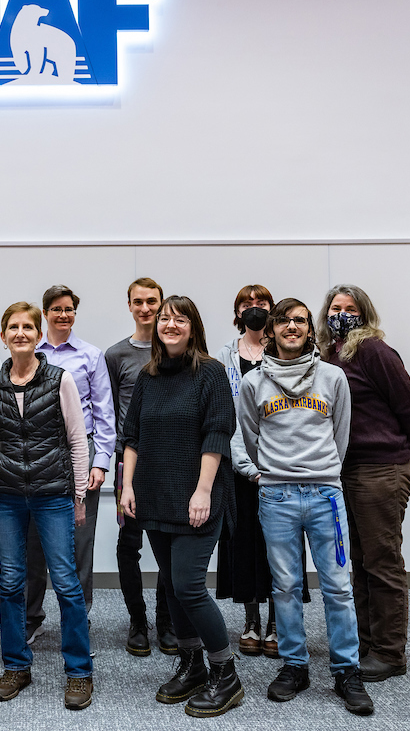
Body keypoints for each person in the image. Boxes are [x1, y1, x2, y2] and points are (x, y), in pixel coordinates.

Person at [238, 297, 374, 716]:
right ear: (272, 329)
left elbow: (342, 436)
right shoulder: (252, 384)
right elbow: (247, 435)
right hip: (276, 497)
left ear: (310, 330)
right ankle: (295, 665)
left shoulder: (333, 378)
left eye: (300, 320)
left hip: (325, 498)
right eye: (284, 321)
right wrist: (268, 475)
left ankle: (346, 670)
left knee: (337, 586)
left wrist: (322, 473)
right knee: (285, 586)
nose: (292, 327)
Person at [118, 295, 243, 718]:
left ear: (193, 327)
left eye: (180, 318)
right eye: (165, 318)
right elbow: (131, 435)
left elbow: (217, 433)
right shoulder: (149, 375)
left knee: (189, 586)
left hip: (196, 498)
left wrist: (203, 490)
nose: (170, 324)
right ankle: (191, 663)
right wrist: (127, 486)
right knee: (171, 586)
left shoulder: (210, 372)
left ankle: (225, 671)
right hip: (154, 495)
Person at [0, 302, 94, 711]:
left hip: (53, 496)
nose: (21, 333)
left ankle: (79, 672)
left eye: (28, 326)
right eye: (14, 327)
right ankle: (16, 667)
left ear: (36, 334)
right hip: (6, 496)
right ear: (4, 335)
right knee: (10, 585)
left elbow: (78, 441)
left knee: (65, 583)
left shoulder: (59, 380)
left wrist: (78, 494)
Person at [318, 284, 410, 682]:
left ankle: (389, 652)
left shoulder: (373, 351)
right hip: (348, 470)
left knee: (382, 563)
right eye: (335, 308)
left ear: (363, 314)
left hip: (381, 468)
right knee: (360, 561)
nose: (341, 314)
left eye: (349, 308)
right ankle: (366, 642)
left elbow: (407, 404)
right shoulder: (329, 355)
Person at [26, 285, 114, 645]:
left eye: (69, 309)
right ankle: (30, 617)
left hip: (81, 451)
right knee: (33, 542)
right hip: (33, 454)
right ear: (45, 313)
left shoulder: (91, 356)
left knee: (80, 541)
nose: (63, 315)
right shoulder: (29, 350)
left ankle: (78, 617)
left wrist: (101, 461)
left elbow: (105, 412)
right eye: (56, 309)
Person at [104, 277, 175, 656]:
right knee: (129, 543)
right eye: (138, 302)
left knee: (167, 543)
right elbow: (111, 410)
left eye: (152, 302)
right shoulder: (116, 355)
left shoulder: (176, 350)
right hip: (127, 462)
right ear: (129, 305)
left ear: (161, 305)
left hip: (170, 462)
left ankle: (167, 620)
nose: (145, 308)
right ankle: (137, 620)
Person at [216, 285, 279, 658]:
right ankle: (251, 620)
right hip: (238, 467)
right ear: (237, 312)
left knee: (279, 545)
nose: (254, 309)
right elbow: (225, 410)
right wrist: (242, 460)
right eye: (246, 304)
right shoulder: (225, 356)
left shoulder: (286, 351)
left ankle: (276, 622)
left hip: (281, 465)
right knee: (243, 542)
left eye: (261, 303)